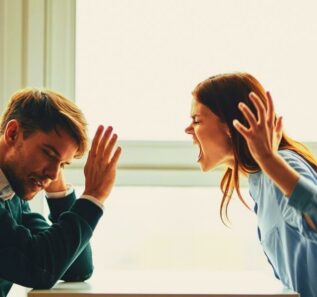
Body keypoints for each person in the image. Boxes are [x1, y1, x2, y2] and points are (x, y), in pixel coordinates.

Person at [185, 72, 317, 297]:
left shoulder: (280, 165)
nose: (189, 130)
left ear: (231, 125)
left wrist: (269, 160)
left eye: (197, 120)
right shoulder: (261, 181)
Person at [0, 88, 121, 297]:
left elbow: (77, 269)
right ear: (13, 133)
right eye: (48, 153)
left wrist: (60, 194)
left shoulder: (10, 193)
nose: (55, 173)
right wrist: (93, 197)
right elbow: (40, 267)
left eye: (63, 164)